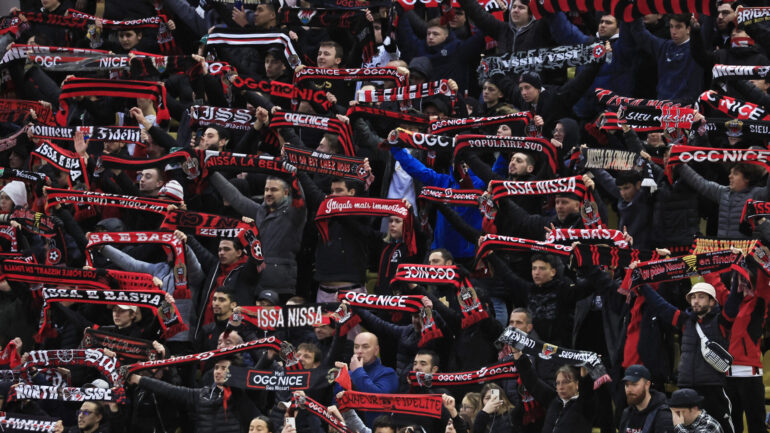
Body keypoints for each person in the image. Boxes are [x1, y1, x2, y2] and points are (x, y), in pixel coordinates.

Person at [636, 280, 739, 433]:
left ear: (712, 301)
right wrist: (642, 284)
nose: (695, 301)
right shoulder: (685, 320)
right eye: (693, 297)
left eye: (701, 297)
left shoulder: (721, 322)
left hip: (713, 387)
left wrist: (737, 279)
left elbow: (733, 302)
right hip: (686, 387)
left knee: (724, 429)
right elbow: (660, 304)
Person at [128, 356, 259, 433]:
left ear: (234, 372)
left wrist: (267, 357)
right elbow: (170, 390)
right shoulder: (200, 394)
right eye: (216, 367)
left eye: (224, 368)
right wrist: (139, 379)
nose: (218, 372)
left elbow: (257, 379)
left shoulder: (239, 396)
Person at [617, 365, 673, 433]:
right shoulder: (627, 413)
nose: (629, 389)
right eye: (627, 385)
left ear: (647, 385)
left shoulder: (662, 415)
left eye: (634, 384)